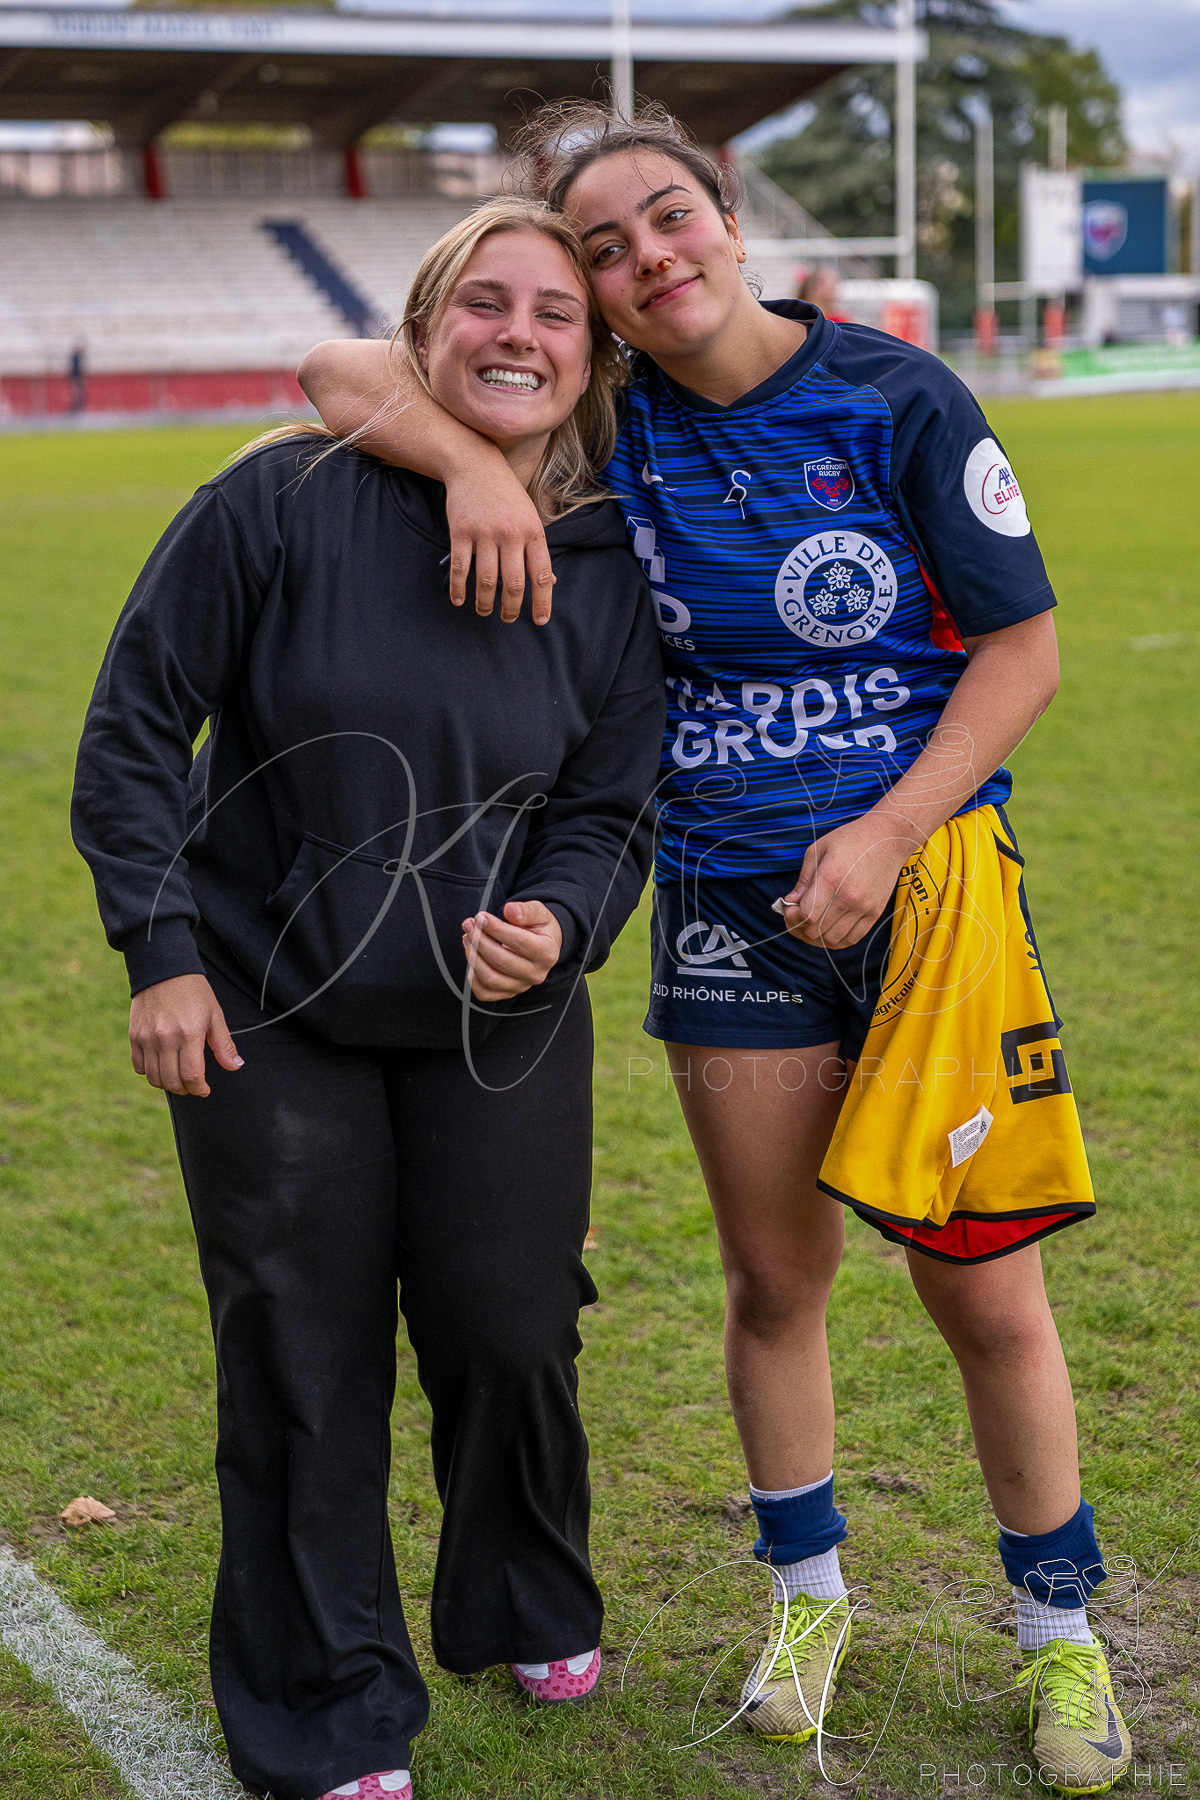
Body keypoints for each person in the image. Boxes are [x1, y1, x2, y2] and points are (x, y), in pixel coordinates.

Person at [296, 104, 1132, 1795]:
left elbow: (1025, 652)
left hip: (934, 906)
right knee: (774, 1281)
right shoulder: (609, 426)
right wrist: (467, 463)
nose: (644, 260)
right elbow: (329, 369)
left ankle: (1060, 1638)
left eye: (665, 218)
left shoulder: (895, 395)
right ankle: (808, 1605)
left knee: (984, 1292)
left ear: (729, 216)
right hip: (726, 916)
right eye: (601, 249)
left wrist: (889, 833)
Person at [72, 197, 665, 1800]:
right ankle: (327, 1704)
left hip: (497, 1025)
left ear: (593, 356)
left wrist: (561, 917)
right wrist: (161, 951)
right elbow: (135, 732)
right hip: (269, 1001)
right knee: (300, 1349)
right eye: (485, 301)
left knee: (512, 1322)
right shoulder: (279, 498)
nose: (520, 333)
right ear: (423, 330)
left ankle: (524, 1594)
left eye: (556, 311)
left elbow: (610, 806)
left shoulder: (611, 559)